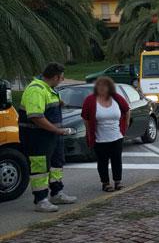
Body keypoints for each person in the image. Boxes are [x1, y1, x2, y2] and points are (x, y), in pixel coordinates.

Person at [18, 63, 77, 212]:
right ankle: (41, 200)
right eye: (61, 78)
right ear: (56, 76)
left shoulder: (48, 89)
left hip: (51, 136)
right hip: (37, 137)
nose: (62, 80)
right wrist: (57, 130)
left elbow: (46, 108)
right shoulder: (36, 90)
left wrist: (59, 104)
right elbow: (36, 117)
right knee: (40, 168)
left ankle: (57, 193)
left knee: (57, 163)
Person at [81, 77, 130, 192]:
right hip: (100, 138)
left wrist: (125, 125)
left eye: (105, 86)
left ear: (110, 88)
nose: (102, 88)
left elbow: (127, 109)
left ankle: (118, 182)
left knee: (117, 160)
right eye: (100, 86)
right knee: (102, 161)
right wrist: (89, 132)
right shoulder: (90, 100)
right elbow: (85, 117)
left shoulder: (117, 98)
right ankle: (105, 183)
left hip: (116, 136)